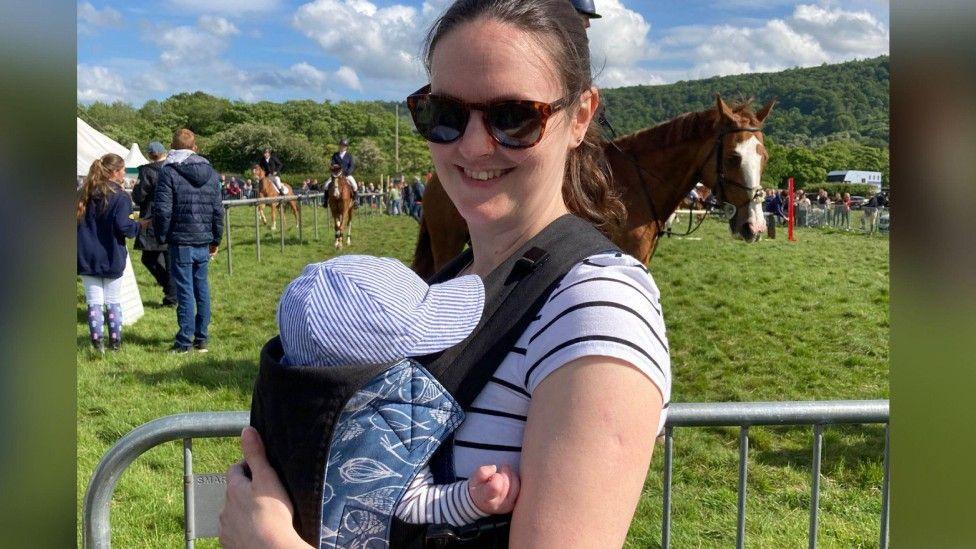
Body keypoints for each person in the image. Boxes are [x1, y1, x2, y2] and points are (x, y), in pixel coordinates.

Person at [221, 1, 670, 547]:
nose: (474, 145)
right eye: (445, 115)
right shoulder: (442, 289)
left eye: (513, 117)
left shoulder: (598, 308)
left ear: (579, 117)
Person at [270, 256, 520, 529]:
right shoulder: (372, 427)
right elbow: (414, 502)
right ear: (382, 367)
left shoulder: (284, 400)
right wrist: (472, 499)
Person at [153, 129, 224, 354]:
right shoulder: (211, 172)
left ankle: (184, 342)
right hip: (203, 238)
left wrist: (162, 235)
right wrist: (216, 238)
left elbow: (162, 209)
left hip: (181, 239)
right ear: (195, 147)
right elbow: (217, 210)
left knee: (185, 291)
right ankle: (201, 339)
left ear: (172, 147)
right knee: (201, 288)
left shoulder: (169, 171)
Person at [77, 153, 145, 353]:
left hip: (86, 255)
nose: (125, 173)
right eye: (123, 169)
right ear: (115, 172)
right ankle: (115, 343)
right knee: (113, 301)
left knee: (94, 302)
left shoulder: (82, 193)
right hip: (111, 254)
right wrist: (138, 226)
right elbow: (125, 227)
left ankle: (97, 344)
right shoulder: (121, 196)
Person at [131, 141, 177, 307]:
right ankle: (172, 292)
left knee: (149, 258)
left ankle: (171, 293)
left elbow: (138, 196)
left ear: (150, 155)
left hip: (153, 219)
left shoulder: (147, 171)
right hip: (173, 219)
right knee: (168, 259)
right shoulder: (175, 168)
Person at [330, 138, 358, 203]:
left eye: (344, 146)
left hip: (347, 175)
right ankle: (326, 201)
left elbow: (351, 166)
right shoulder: (335, 155)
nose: (342, 147)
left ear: (346, 147)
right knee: (326, 185)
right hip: (336, 175)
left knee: (354, 186)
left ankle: (356, 200)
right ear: (339, 146)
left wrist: (347, 173)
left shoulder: (349, 155)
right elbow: (332, 164)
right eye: (341, 145)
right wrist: (335, 171)